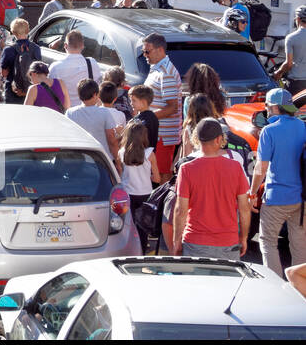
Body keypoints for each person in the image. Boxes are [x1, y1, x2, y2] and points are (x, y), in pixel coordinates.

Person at [173, 117, 251, 259]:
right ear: (219, 139)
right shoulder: (235, 167)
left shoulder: (186, 169)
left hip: (195, 242)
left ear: (197, 139)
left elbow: (180, 210)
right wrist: (243, 237)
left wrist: (176, 240)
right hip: (228, 243)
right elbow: (244, 208)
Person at [249, 88, 306, 278]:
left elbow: (260, 169)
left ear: (273, 107)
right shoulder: (302, 126)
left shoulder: (269, 131)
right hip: (301, 198)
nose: (266, 109)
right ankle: (300, 290)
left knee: (267, 241)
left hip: (276, 198)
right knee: (299, 244)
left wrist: (252, 193)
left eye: (266, 105)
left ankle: (275, 287)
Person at [142, 33, 182, 178]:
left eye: (147, 51)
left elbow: (172, 107)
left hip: (164, 137)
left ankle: (164, 201)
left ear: (160, 50)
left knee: (162, 176)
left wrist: (147, 116)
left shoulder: (166, 72)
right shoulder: (157, 68)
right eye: (143, 51)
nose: (145, 55)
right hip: (157, 133)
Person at [119, 119, 160, 241]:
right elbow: (157, 179)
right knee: (143, 227)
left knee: (129, 225)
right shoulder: (150, 154)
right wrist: (150, 177)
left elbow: (121, 175)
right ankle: (142, 250)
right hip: (145, 193)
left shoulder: (121, 153)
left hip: (128, 193)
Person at [66, 79, 120, 158]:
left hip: (78, 158)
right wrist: (118, 162)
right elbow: (111, 140)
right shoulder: (104, 112)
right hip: (101, 159)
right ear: (95, 94)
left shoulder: (70, 113)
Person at [47, 29, 100, 99]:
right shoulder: (92, 63)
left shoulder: (55, 67)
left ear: (65, 46)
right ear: (82, 46)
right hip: (88, 108)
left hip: (63, 109)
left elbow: (49, 90)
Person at [0, 18, 40, 103]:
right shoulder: (36, 48)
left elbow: (4, 73)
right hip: (31, 90)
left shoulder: (8, 50)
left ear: (13, 32)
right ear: (28, 30)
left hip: (13, 91)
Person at [275, 5, 306, 93]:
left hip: (296, 84)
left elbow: (289, 64)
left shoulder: (291, 38)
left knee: (291, 106)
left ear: (298, 19)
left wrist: (278, 72)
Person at [128, 84, 161, 157]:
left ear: (143, 101)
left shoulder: (148, 118)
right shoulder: (141, 117)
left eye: (134, 100)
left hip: (144, 157)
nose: (131, 103)